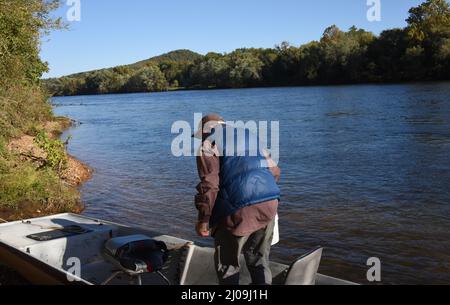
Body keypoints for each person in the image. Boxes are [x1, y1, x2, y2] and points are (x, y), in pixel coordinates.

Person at [193, 114, 281, 285]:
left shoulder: (207, 145)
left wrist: (203, 219)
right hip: (270, 204)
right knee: (259, 261)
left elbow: (209, 186)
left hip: (237, 211)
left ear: (206, 130)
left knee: (228, 267)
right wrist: (259, 194)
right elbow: (275, 171)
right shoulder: (250, 135)